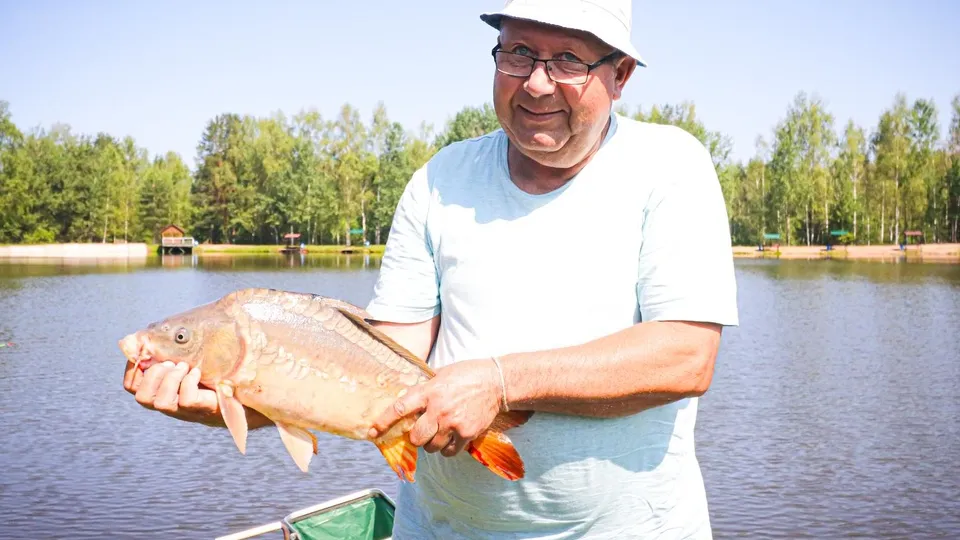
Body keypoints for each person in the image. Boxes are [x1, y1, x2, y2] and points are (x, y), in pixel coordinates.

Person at [123, 0, 739, 537]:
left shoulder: (670, 167)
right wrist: (241, 396)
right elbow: (379, 366)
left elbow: (684, 358)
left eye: (569, 61)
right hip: (440, 528)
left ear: (621, 74)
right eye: (519, 53)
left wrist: (499, 383)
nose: (537, 84)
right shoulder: (440, 179)